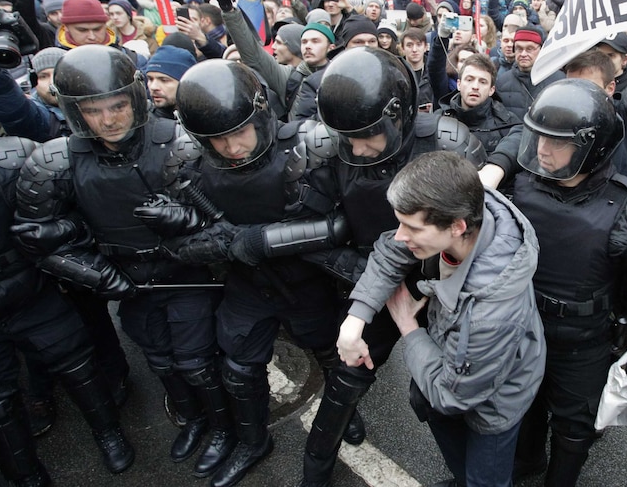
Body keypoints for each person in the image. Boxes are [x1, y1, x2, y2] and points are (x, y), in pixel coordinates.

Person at [136, 58, 363, 487]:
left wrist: (259, 240)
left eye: (238, 131)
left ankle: (345, 411)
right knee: (239, 368)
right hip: (245, 285)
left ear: (260, 113)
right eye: (217, 139)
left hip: (307, 279)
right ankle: (253, 440)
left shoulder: (309, 144)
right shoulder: (188, 160)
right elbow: (176, 239)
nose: (231, 147)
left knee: (332, 354)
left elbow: (345, 223)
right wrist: (214, 242)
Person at [13, 45, 235, 481]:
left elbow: (230, 221)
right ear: (77, 112)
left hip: (185, 277)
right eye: (95, 110)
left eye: (117, 105)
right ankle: (192, 419)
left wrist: (187, 223)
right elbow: (36, 237)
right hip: (126, 282)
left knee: (196, 361)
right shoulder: (56, 159)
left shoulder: (177, 142)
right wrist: (95, 273)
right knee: (159, 359)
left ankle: (223, 428)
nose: (110, 119)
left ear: (134, 98)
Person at [299, 47, 485, 487]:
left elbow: (475, 226)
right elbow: (313, 228)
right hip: (373, 273)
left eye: (369, 136)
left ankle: (469, 474)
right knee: (346, 379)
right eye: (350, 138)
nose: (358, 150)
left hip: (444, 282)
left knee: (445, 392)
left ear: (397, 115)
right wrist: (363, 287)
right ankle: (314, 472)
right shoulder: (333, 146)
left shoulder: (446, 141)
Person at [344, 151, 544, 487]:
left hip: (494, 402)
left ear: (457, 227)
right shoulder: (468, 204)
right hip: (457, 364)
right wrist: (356, 318)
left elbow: (452, 396)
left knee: (486, 477)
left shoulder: (489, 315)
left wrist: (409, 328)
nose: (400, 236)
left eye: (412, 227)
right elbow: (390, 251)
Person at [510, 78, 627, 486]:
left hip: (584, 343)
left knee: (573, 429)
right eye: (539, 138)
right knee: (523, 406)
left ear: (593, 146)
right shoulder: (525, 185)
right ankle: (524, 463)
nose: (542, 150)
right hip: (525, 328)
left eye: (557, 142)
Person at [0, 136, 134, 483]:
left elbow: (68, 216)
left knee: (78, 366)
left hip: (32, 295)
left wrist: (58, 248)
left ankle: (109, 432)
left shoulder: (12, 161)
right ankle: (27, 476)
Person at [435, 53, 520, 154]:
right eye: (469, 80)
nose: (475, 86)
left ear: (491, 90)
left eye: (483, 82)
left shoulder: (508, 124)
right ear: (459, 84)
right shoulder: (438, 119)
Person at [495, 26, 564, 121]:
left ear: (541, 49)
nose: (523, 54)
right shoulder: (502, 82)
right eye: (519, 48)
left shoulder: (559, 82)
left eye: (529, 49)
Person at [144, 44, 197, 119]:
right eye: (150, 79)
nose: (153, 87)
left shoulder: (207, 119)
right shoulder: (143, 121)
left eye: (164, 80)